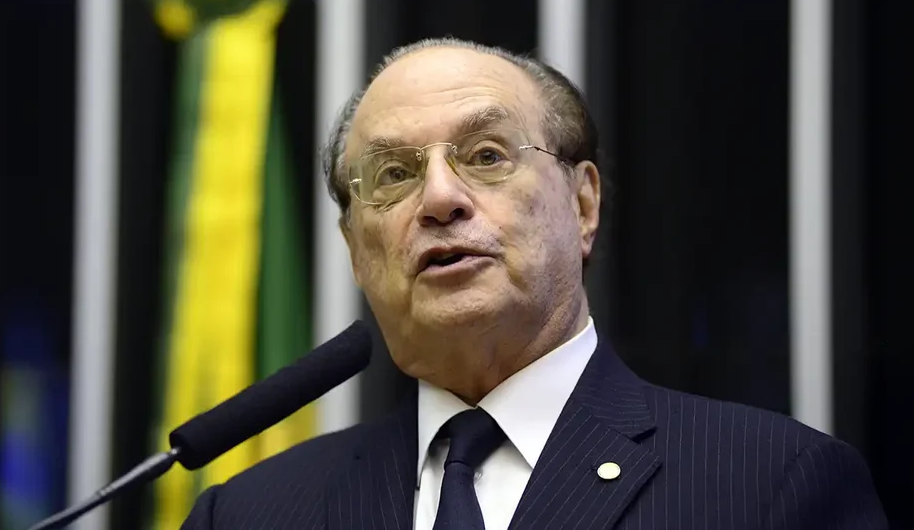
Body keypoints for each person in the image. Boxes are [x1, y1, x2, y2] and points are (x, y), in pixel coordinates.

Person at [181, 39, 887, 530]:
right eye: (393, 174)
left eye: (486, 155)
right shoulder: (248, 515)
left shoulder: (771, 486)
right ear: (354, 251)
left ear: (582, 205)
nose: (439, 198)